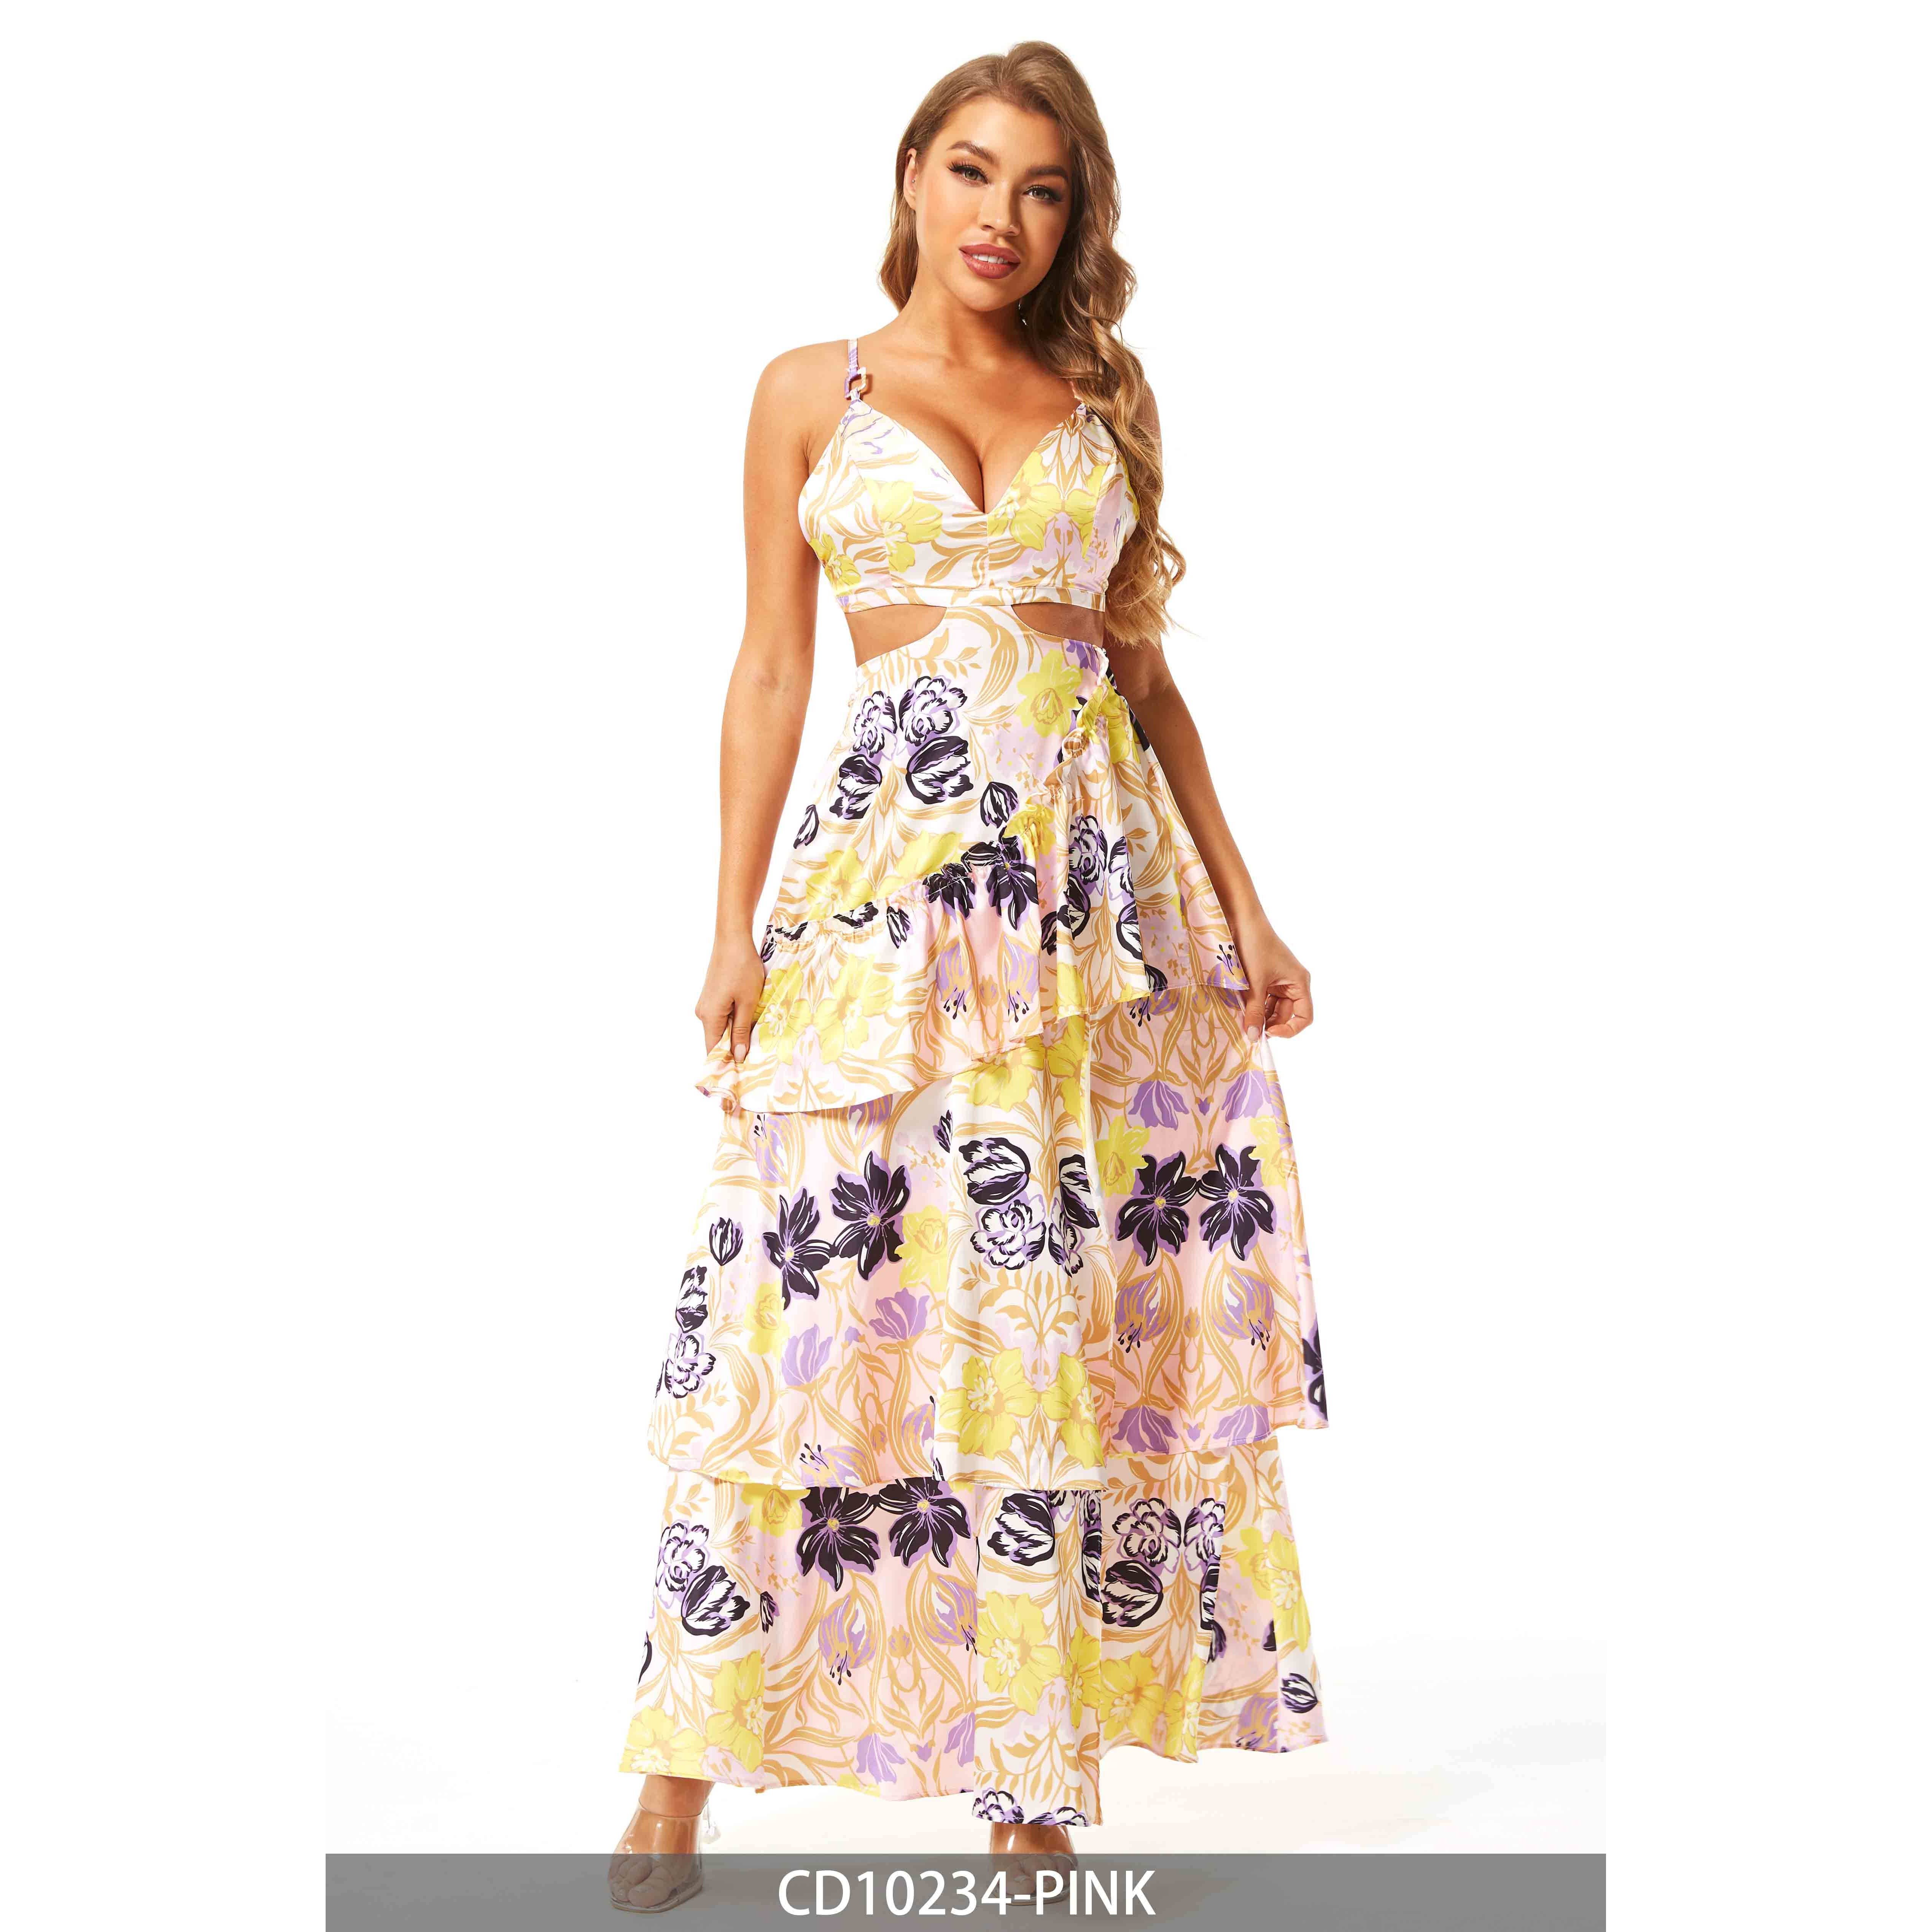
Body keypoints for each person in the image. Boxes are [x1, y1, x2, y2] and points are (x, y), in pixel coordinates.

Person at [608, 40, 1328, 1915]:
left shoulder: (1104, 393)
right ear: (912, 175)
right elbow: (774, 668)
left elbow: (1143, 679)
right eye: (972, 170)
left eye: (1043, 188)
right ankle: (678, 1767)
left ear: (1074, 219)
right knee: (808, 1306)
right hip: (883, 909)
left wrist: (1248, 911)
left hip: (1094, 919)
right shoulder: (809, 390)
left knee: (1042, 1316)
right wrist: (728, 925)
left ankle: (1029, 1787)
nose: (1002, 215)